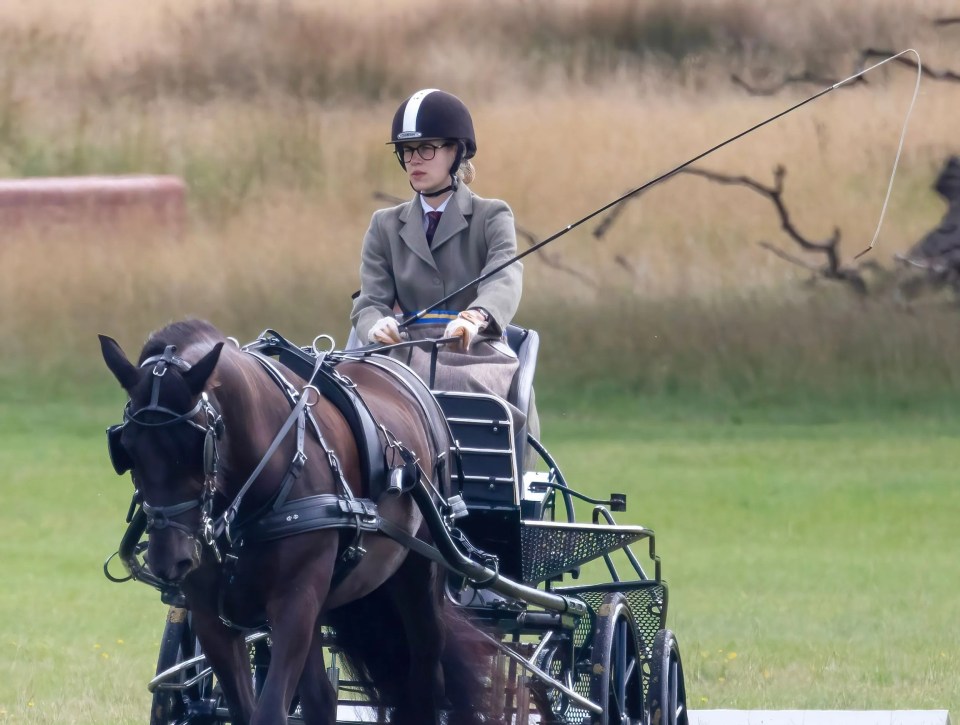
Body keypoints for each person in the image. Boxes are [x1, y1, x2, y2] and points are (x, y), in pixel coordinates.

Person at [350, 88, 538, 442]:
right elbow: (370, 300)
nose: (414, 160)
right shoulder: (384, 225)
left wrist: (475, 316)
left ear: (456, 152)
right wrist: (376, 327)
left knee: (455, 386)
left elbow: (505, 277)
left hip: (471, 353)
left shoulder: (492, 215)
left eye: (427, 148)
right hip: (402, 351)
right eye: (407, 151)